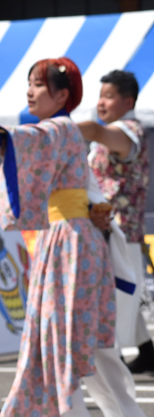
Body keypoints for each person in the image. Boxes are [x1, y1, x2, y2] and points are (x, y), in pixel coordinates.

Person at [0, 57, 144, 416]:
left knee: (61, 337)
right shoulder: (62, 133)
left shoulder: (65, 129)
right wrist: (3, 140)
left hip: (73, 242)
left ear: (62, 93)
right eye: (29, 83)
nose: (29, 91)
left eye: (37, 84)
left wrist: (2, 135)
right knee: (80, 342)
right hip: (73, 239)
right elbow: (37, 147)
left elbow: (34, 139)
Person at [78, 70, 154, 374]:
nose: (101, 103)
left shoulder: (128, 131)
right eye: (100, 96)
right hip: (110, 229)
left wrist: (54, 129)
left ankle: (113, 365)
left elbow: (96, 132)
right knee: (125, 299)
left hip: (119, 231)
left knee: (116, 298)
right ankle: (144, 352)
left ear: (128, 100)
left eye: (108, 96)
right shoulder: (118, 130)